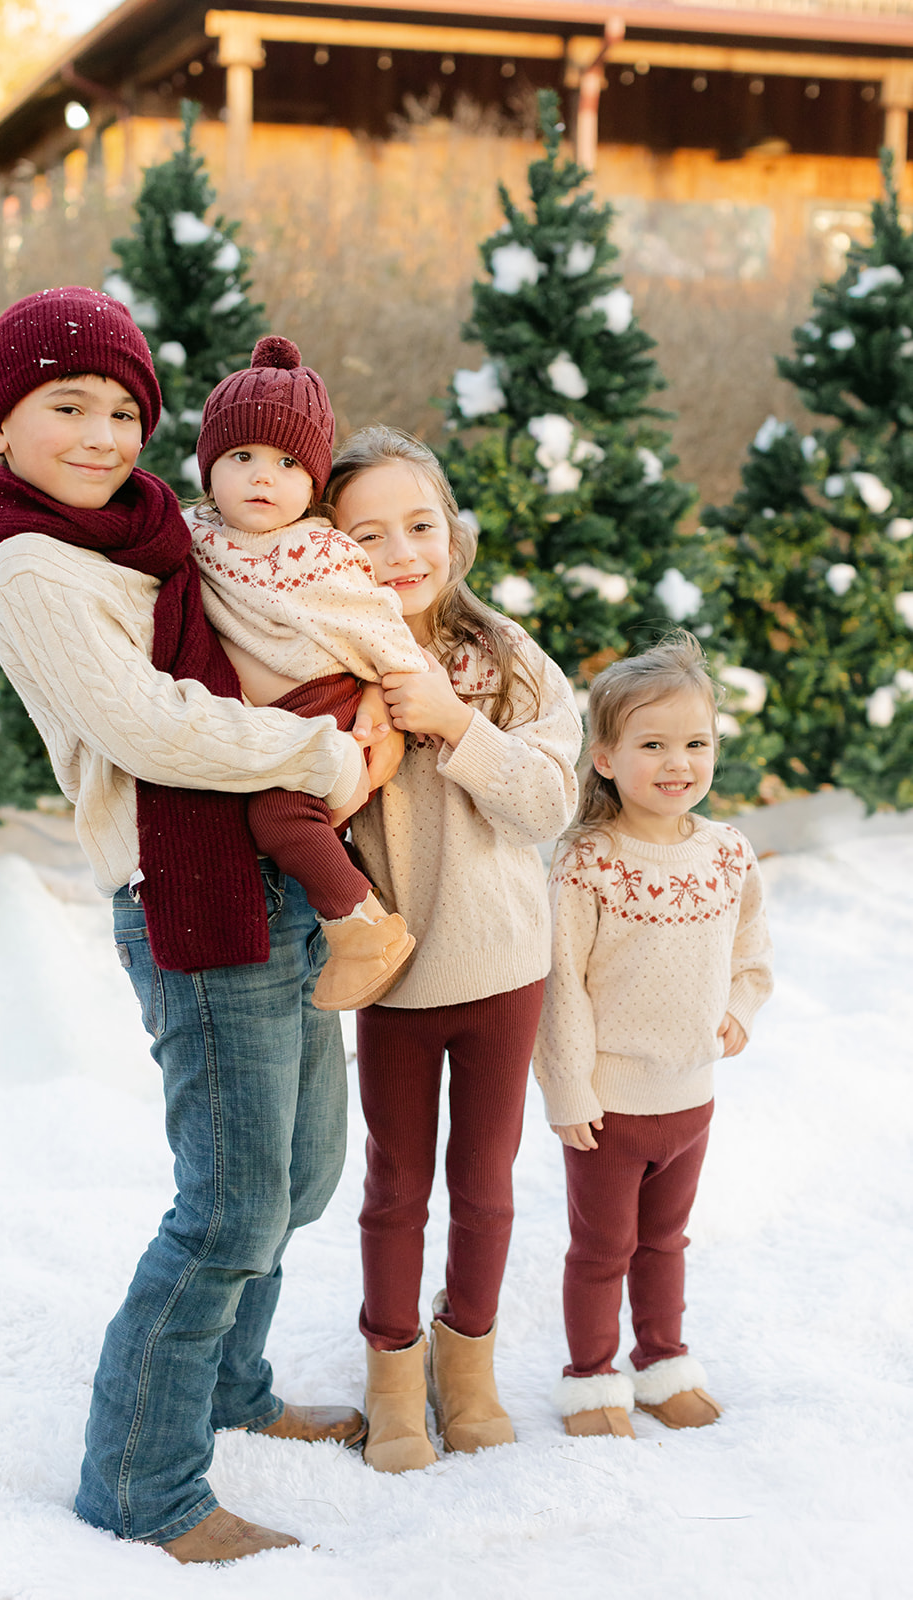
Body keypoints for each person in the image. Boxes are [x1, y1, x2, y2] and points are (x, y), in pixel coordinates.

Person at [0, 287, 394, 1565]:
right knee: (224, 1206)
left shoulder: (152, 534)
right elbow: (150, 723)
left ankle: (229, 1384)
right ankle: (142, 1488)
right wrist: (323, 753)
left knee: (303, 1171)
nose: (99, 434)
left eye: (120, 410)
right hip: (185, 889)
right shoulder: (36, 567)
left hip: (276, 877)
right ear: (2, 426)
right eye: (66, 407)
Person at [325, 426, 582, 1472]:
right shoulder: (325, 657)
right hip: (394, 976)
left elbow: (550, 800)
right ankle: (391, 1371)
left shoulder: (504, 657)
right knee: (395, 1184)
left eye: (419, 525)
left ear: (453, 535)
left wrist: (452, 723)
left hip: (503, 970)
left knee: (483, 1181)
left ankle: (462, 1365)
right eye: (368, 534)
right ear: (332, 550)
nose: (401, 552)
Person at [533, 632, 773, 1439]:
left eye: (695, 743)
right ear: (604, 757)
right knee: (603, 1247)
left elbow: (751, 945)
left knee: (665, 1240)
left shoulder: (726, 851)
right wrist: (567, 1086)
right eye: (652, 744)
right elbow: (558, 981)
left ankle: (662, 1359)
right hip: (609, 1105)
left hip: (691, 1095)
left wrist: (739, 1006)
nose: (678, 762)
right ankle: (592, 1378)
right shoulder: (586, 862)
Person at [189, 335, 429, 1010]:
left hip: (323, 699)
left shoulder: (321, 551)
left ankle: (363, 932)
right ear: (209, 469)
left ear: (314, 483)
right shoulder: (195, 537)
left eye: (288, 462)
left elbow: (378, 625)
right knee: (273, 811)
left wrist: (383, 696)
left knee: (279, 813)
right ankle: (348, 911)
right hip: (267, 716)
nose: (263, 477)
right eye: (241, 457)